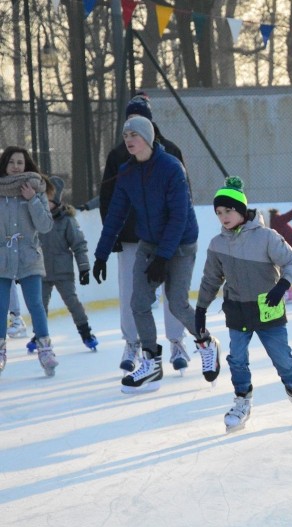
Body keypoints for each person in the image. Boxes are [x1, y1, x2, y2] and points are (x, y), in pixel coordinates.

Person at [93, 116, 221, 394]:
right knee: (138, 303)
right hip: (150, 244)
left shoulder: (171, 168)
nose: (128, 139)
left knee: (177, 303)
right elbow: (116, 214)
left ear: (147, 138)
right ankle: (152, 362)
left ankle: (206, 342)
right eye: (125, 134)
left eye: (134, 134)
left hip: (181, 244)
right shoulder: (127, 172)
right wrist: (101, 254)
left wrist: (163, 258)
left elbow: (179, 216)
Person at [195, 177, 292, 432]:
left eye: (229, 210)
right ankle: (242, 400)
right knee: (237, 360)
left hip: (268, 308)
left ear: (242, 210)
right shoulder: (217, 244)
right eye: (219, 212)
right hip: (237, 311)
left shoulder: (266, 237)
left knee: (283, 359)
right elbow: (211, 280)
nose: (223, 216)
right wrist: (200, 310)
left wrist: (281, 287)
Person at [99, 92, 192, 374]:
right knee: (132, 292)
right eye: (129, 119)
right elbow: (109, 198)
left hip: (165, 237)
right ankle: (133, 343)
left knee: (173, 292)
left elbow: (183, 197)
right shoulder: (118, 156)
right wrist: (110, 238)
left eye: (139, 119)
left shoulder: (171, 152)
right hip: (130, 236)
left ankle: (177, 341)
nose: (132, 128)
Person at [0, 146, 59, 376]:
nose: (16, 166)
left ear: (27, 166)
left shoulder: (36, 189)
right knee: (1, 306)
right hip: (3, 256)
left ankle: (45, 349)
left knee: (36, 304)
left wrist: (32, 199)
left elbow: (45, 226)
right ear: (5, 164)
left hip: (28, 254)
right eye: (12, 162)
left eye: (20, 163)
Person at [25, 176, 98, 353]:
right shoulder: (35, 219)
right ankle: (39, 335)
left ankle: (86, 333)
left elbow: (79, 245)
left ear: (56, 202)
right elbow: (26, 245)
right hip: (40, 271)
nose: (45, 204)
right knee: (39, 306)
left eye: (48, 201)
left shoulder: (66, 220)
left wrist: (84, 268)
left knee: (73, 303)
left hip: (63, 272)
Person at [268, 202, 292, 304]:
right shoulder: (274, 222)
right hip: (289, 248)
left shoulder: (275, 220)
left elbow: (288, 216)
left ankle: (288, 295)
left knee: (284, 273)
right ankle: (288, 295)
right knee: (284, 272)